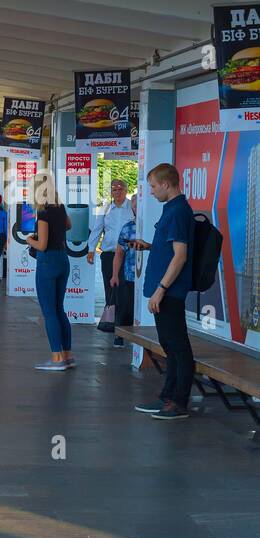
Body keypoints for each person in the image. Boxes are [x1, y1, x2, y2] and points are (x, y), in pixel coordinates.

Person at [131, 163, 195, 420]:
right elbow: (171, 250)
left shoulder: (179, 211)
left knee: (178, 347)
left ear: (166, 184)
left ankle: (178, 402)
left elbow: (180, 256)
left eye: (154, 186)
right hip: (165, 291)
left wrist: (161, 289)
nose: (152, 191)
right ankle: (167, 397)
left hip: (170, 292)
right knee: (169, 345)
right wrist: (149, 247)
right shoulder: (171, 209)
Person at [25, 198, 72, 371]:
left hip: (47, 262)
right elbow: (68, 225)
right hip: (62, 259)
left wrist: (29, 239)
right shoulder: (60, 207)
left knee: (49, 311)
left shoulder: (43, 212)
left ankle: (56, 358)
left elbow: (42, 245)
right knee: (59, 309)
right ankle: (68, 355)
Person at [87, 178, 136, 341]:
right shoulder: (106, 208)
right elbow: (97, 229)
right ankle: (111, 321)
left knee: (124, 290)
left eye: (121, 188)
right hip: (109, 254)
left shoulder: (133, 207)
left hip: (128, 254)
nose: (117, 191)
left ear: (126, 190)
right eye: (114, 189)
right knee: (111, 289)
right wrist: (91, 249)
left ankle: (123, 327)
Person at [110, 210, 139, 349]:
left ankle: (137, 337)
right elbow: (119, 253)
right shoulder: (127, 228)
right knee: (125, 307)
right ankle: (119, 336)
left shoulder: (153, 225)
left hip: (148, 277)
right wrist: (115, 275)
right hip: (130, 275)